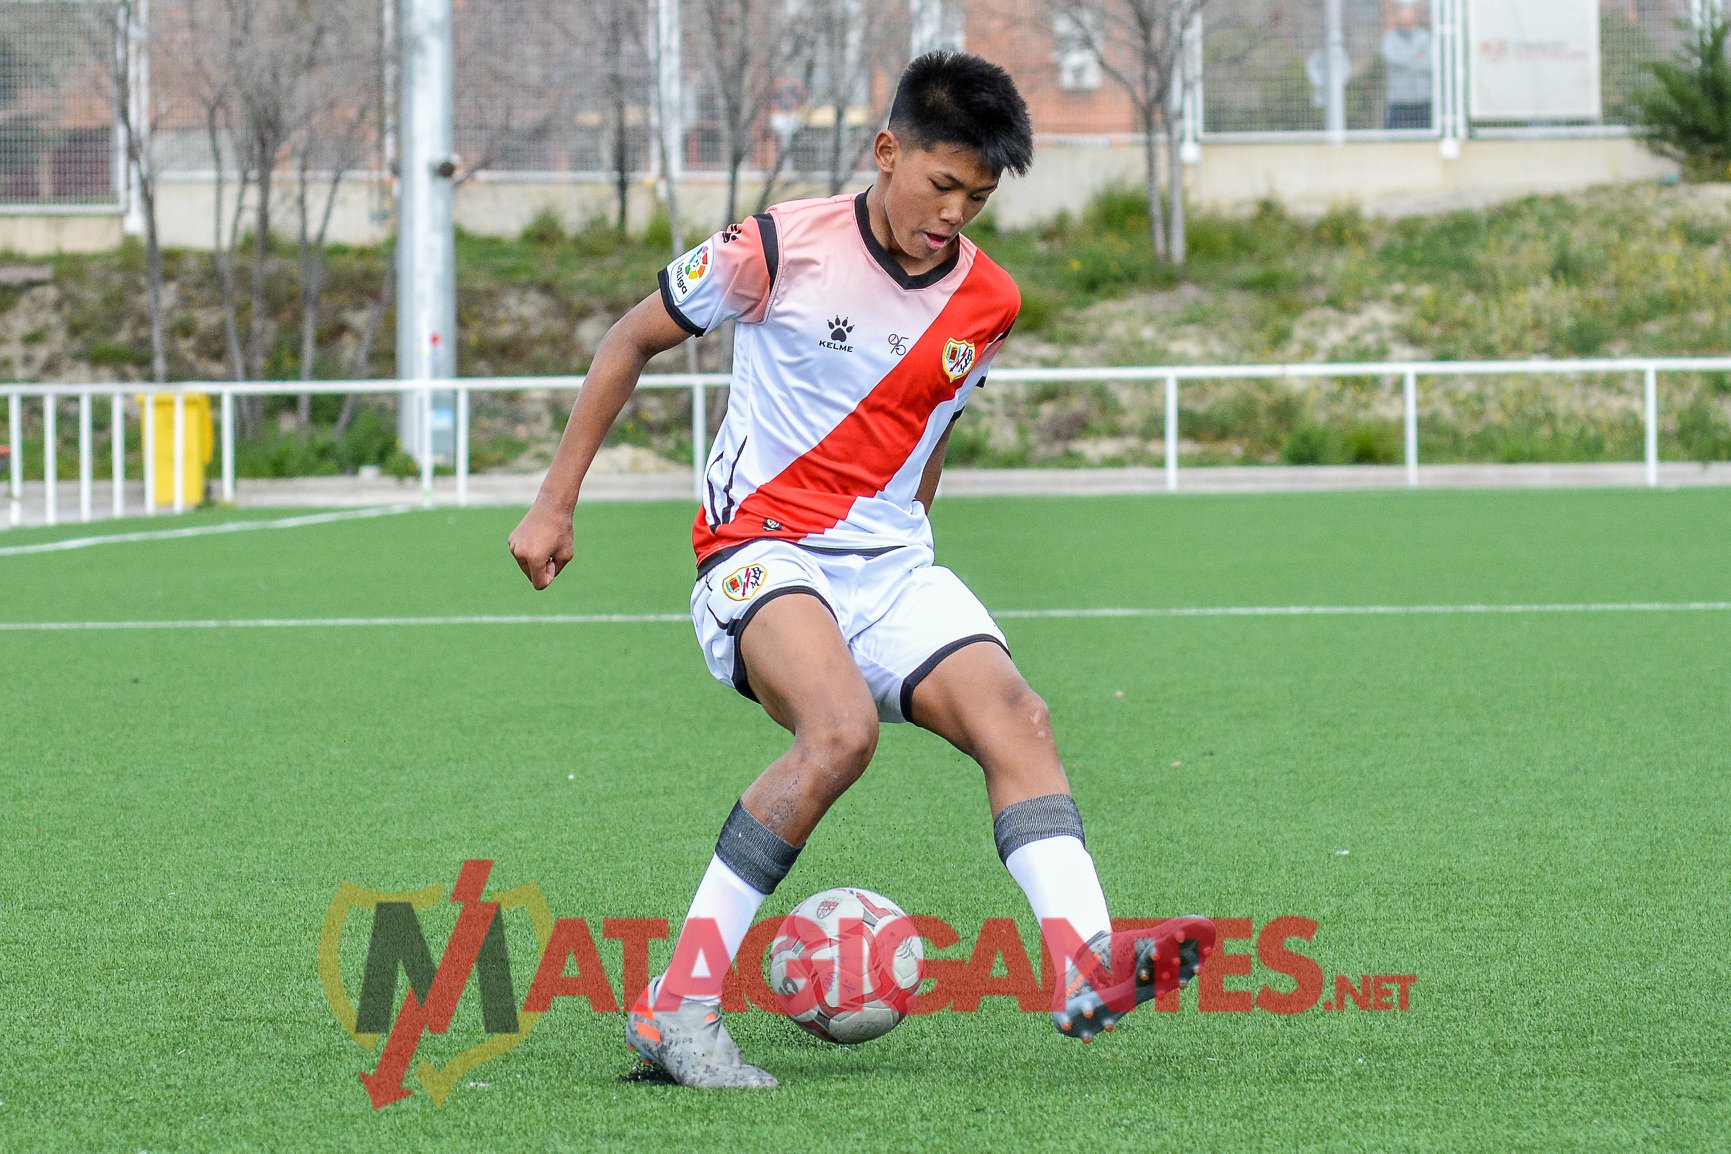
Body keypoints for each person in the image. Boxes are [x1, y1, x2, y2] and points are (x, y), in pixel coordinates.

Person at [508, 51, 1217, 1090]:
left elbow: (927, 433)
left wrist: (908, 569)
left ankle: (1086, 961)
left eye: (977, 198)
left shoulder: (989, 302)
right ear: (887, 152)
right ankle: (679, 1004)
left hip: (889, 564)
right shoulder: (775, 246)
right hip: (758, 548)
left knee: (1017, 716)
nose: (955, 214)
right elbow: (627, 342)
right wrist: (554, 499)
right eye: (941, 185)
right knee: (836, 731)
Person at [1382, 0, 1433, 129]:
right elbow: (1393, 59)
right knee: (1396, 143)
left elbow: (1429, 64)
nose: (1406, 21)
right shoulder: (1390, 37)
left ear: (1415, 18)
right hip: (1398, 102)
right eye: (1403, 17)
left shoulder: (1425, 37)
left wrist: (1405, 57)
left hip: (1422, 101)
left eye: (1409, 17)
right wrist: (1416, 54)